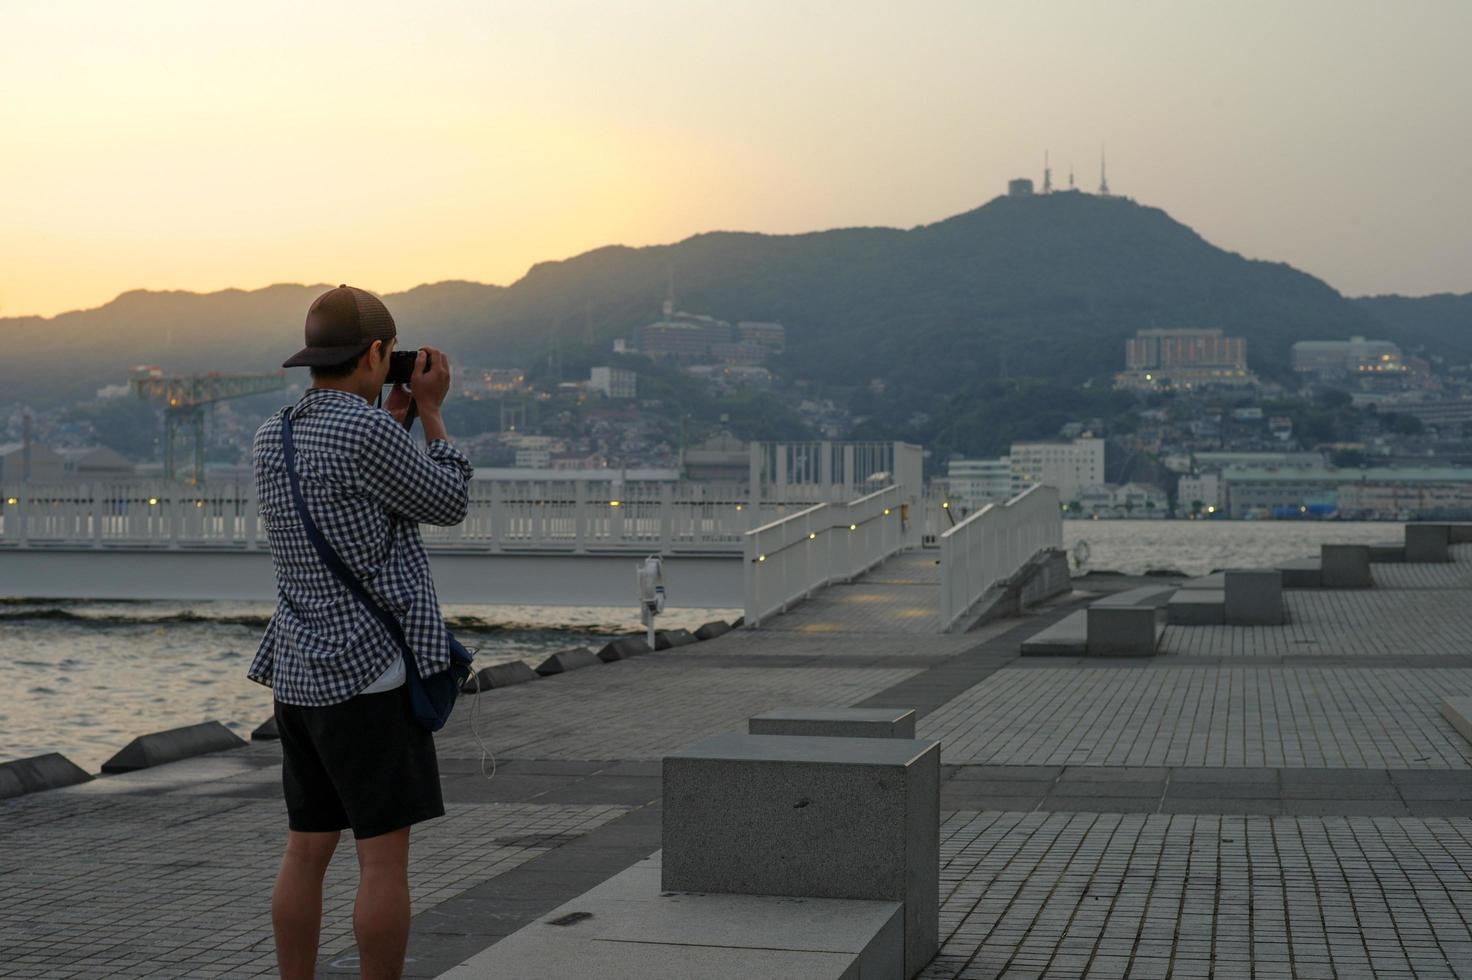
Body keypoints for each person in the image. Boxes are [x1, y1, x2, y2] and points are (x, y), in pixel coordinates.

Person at [248, 284, 472, 980]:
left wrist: (394, 416)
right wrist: (430, 415)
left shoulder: (272, 433)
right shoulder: (370, 432)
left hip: (299, 675)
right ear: (377, 352)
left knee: (305, 851)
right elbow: (448, 500)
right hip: (369, 678)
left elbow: (352, 483)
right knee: (380, 859)